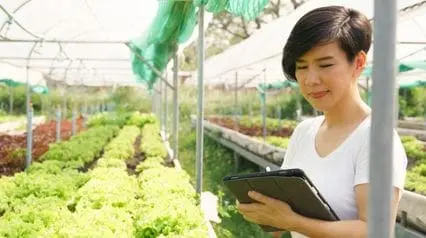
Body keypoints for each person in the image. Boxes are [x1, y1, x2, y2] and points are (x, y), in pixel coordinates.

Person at [237, 5, 407, 238]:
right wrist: (267, 214)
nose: (311, 79)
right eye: (302, 67)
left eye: (325, 65)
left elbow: (375, 231)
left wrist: (293, 222)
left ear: (358, 63)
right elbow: (283, 211)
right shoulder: (304, 131)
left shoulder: (376, 139)